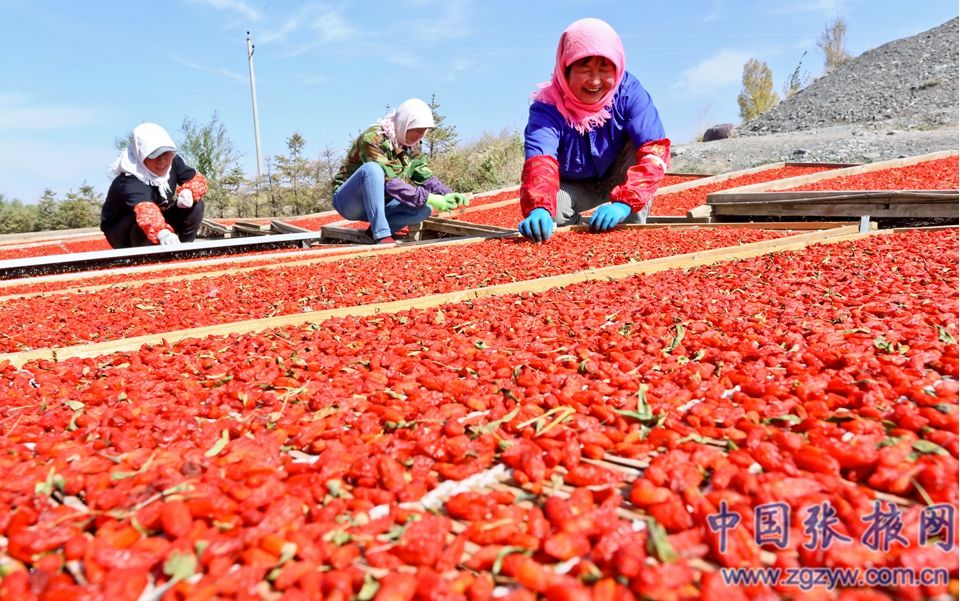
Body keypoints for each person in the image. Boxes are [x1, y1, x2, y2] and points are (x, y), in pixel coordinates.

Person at [517, 17, 671, 242]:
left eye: (604, 68)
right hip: (577, 185)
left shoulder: (629, 93)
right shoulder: (547, 108)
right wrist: (539, 207)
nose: (595, 80)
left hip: (621, 176)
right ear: (565, 68)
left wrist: (624, 203)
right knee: (555, 211)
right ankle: (576, 240)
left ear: (617, 68)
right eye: (584, 68)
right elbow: (541, 161)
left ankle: (630, 237)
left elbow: (654, 151)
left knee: (626, 235)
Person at [332, 98, 468, 244]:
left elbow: (424, 174)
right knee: (373, 170)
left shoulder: (411, 144)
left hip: (384, 202)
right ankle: (382, 234)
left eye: (424, 132)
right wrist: (429, 197)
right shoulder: (373, 138)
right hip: (351, 202)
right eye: (417, 130)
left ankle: (372, 234)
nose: (420, 136)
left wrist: (446, 193)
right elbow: (390, 182)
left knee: (423, 209)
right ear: (405, 123)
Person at [101, 123, 207, 249]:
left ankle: (184, 248)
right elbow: (145, 212)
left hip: (159, 217)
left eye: (166, 153)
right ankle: (146, 257)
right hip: (125, 231)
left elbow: (196, 179)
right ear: (142, 156)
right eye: (154, 155)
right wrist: (162, 233)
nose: (162, 161)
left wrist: (190, 191)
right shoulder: (130, 180)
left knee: (197, 205)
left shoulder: (173, 162)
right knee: (140, 222)